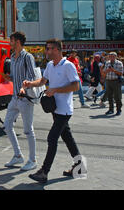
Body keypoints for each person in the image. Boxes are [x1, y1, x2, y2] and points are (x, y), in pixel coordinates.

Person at [23, 39, 84, 184]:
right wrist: (30, 84)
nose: (47, 51)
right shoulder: (50, 65)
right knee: (68, 138)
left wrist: (56, 90)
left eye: (49, 48)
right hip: (54, 108)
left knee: (52, 138)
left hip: (65, 110)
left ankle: (44, 172)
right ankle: (79, 166)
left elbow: (76, 86)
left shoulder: (68, 65)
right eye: (47, 48)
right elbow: (43, 81)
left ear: (57, 50)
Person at [2, 32, 38, 171]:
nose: (9, 42)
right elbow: (14, 77)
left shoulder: (27, 57)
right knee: (7, 125)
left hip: (25, 98)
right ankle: (18, 155)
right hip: (14, 98)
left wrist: (24, 87)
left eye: (11, 40)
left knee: (28, 130)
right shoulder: (12, 57)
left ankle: (33, 160)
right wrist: (8, 78)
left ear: (17, 41)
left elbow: (32, 76)